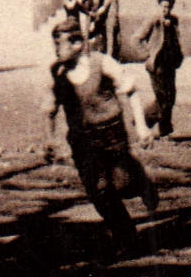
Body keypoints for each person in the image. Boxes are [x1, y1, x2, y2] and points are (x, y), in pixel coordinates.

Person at [43, 20, 157, 252]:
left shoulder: (101, 63)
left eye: (60, 43)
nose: (56, 49)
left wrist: (142, 127)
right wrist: (49, 139)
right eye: (54, 44)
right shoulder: (57, 72)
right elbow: (50, 108)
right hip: (82, 142)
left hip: (111, 135)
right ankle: (125, 236)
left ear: (76, 43)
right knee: (99, 192)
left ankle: (141, 182)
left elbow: (130, 91)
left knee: (122, 184)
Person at [134, 0, 185, 137]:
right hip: (157, 65)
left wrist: (179, 56)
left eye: (168, 7)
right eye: (163, 7)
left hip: (170, 63)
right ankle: (155, 125)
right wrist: (147, 55)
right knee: (162, 97)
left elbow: (176, 40)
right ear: (159, 6)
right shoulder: (153, 20)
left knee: (171, 97)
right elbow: (136, 38)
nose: (165, 10)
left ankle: (159, 127)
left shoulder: (174, 21)